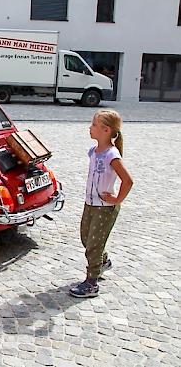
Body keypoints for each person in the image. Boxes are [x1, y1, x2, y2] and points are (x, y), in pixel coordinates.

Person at [70, 109, 133, 298]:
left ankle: (91, 282)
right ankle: (103, 261)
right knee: (86, 238)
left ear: (106, 130)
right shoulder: (93, 151)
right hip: (90, 203)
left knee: (93, 245)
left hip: (104, 208)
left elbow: (128, 180)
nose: (90, 128)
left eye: (94, 125)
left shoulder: (111, 155)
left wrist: (116, 200)